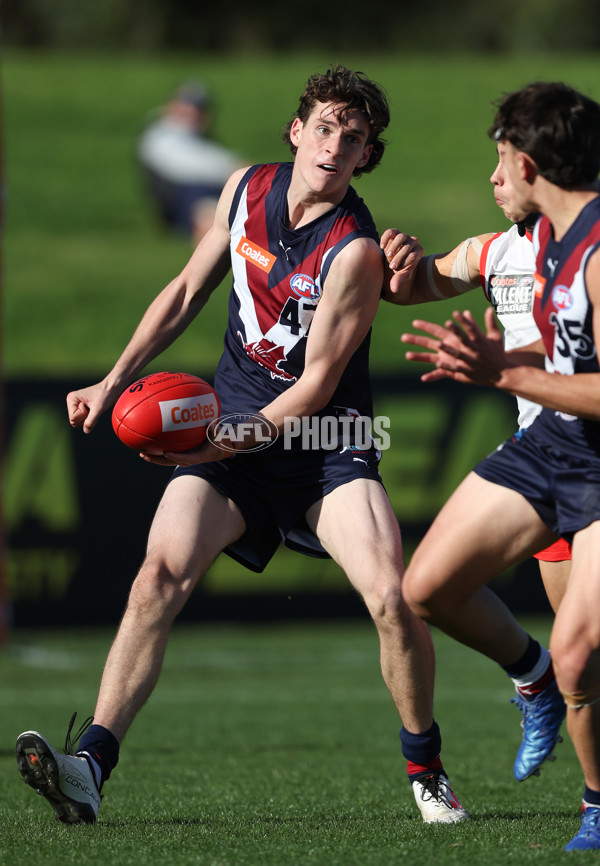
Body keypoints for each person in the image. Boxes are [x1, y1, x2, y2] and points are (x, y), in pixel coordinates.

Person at [15, 65, 467, 826]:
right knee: (158, 575)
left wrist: (220, 441)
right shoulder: (242, 190)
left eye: (353, 139)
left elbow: (317, 385)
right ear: (297, 131)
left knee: (392, 600)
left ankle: (426, 768)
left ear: (366, 158)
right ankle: (90, 765)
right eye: (324, 127)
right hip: (232, 434)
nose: (335, 145)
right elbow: (186, 292)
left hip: (327, 445)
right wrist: (111, 380)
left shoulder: (353, 249)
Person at [397, 81, 600, 852]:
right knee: (426, 587)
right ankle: (534, 679)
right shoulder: (538, 240)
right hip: (556, 443)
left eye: (498, 163)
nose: (491, 178)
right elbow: (569, 355)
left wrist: (503, 372)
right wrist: (497, 355)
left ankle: (596, 804)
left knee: (585, 651)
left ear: (527, 161)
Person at [137, 81, 241, 242]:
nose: (191, 110)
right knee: (208, 209)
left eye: (197, 106)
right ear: (169, 107)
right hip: (183, 201)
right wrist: (235, 169)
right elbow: (184, 162)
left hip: (208, 192)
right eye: (185, 103)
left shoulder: (200, 139)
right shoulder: (160, 134)